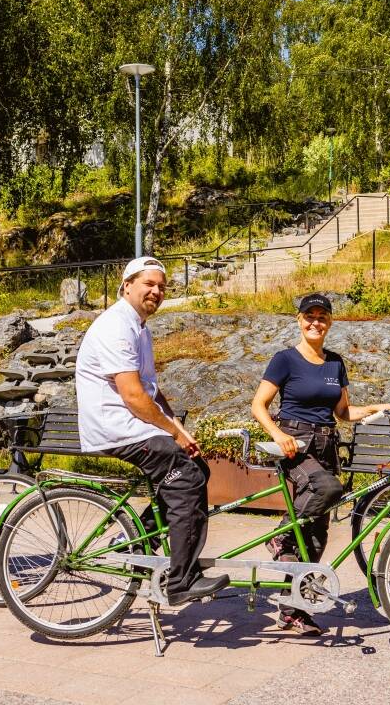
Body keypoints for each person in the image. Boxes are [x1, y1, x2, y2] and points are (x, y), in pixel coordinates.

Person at [75, 256, 229, 607]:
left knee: (195, 468)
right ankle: (182, 580)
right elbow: (133, 396)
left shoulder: (138, 327)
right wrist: (173, 434)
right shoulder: (116, 325)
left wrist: (179, 429)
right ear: (127, 285)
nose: (156, 291)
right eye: (149, 284)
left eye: (162, 286)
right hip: (117, 428)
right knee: (186, 478)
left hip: (132, 426)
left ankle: (138, 548)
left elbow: (153, 392)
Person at [250, 293, 390, 636]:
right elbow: (259, 405)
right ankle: (280, 538)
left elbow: (343, 413)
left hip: (327, 443)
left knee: (316, 534)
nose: (315, 322)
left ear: (330, 322)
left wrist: (377, 408)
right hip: (296, 444)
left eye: (322, 317)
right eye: (309, 316)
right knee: (328, 488)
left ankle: (293, 610)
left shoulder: (336, 363)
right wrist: (277, 434)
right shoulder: (285, 360)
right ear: (299, 320)